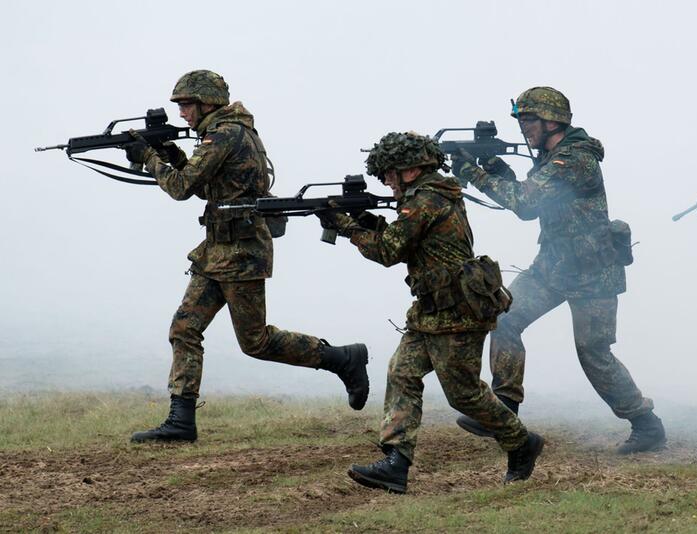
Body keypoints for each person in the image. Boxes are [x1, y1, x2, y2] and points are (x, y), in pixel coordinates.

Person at [124, 70, 370, 443]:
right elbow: (208, 184)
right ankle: (181, 420)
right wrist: (171, 153)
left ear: (207, 102)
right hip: (217, 252)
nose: (183, 114)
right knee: (184, 328)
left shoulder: (225, 133)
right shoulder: (226, 131)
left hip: (241, 254)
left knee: (255, 342)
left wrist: (148, 157)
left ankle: (341, 359)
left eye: (187, 105)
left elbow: (181, 187)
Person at [323, 132, 543, 494]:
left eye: (390, 173)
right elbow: (406, 241)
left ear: (411, 169)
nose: (386, 181)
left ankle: (521, 443)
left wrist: (346, 226)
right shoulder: (424, 197)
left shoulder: (426, 199)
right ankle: (396, 461)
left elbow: (389, 251)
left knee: (465, 395)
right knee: (402, 372)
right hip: (431, 310)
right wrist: (363, 221)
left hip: (457, 312)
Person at [451, 87, 666, 453]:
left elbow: (524, 202)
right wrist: (495, 168)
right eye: (521, 120)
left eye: (530, 120)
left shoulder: (576, 159)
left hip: (592, 272)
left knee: (593, 353)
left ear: (554, 121)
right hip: (551, 266)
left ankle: (646, 425)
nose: (524, 128)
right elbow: (534, 201)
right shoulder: (553, 156)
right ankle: (504, 408)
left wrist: (474, 172)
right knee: (504, 318)